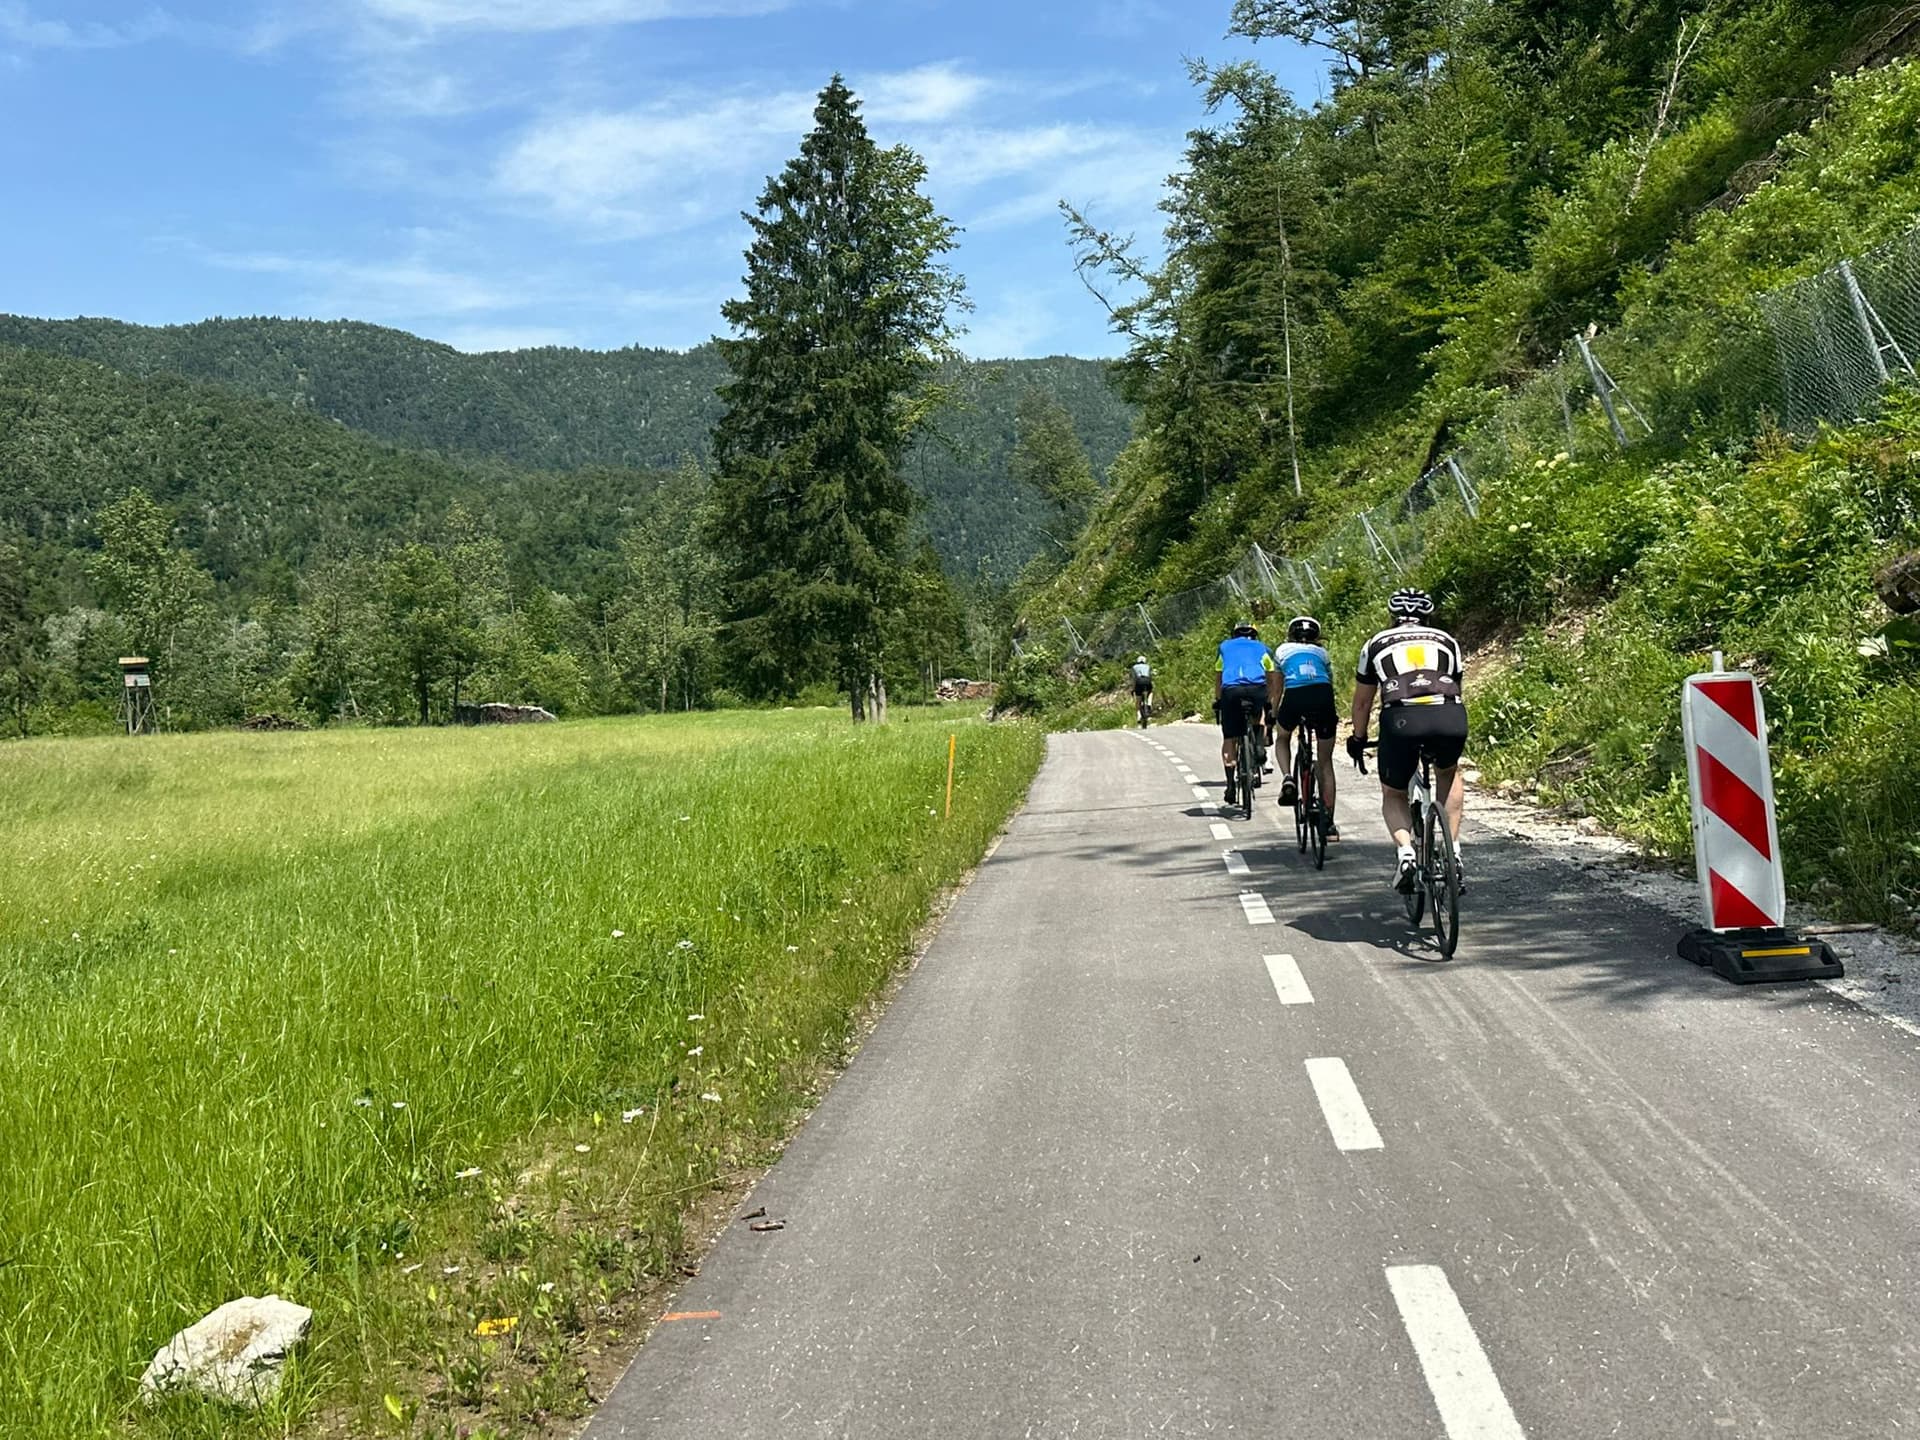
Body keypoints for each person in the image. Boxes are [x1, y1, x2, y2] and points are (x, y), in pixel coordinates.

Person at [1346, 588, 1468, 894]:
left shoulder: (1375, 643)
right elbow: (1456, 689)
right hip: (1448, 715)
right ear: (1428, 615)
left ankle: (1406, 855)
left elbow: (1362, 703)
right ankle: (1453, 852)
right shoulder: (1447, 641)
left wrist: (1359, 738)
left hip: (1401, 719)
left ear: (1393, 616)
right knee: (1448, 773)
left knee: (1393, 792)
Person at [1272, 615, 1340, 842]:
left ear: (1290, 634)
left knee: (1282, 737)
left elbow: (1277, 687)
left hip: (1295, 696)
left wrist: (1273, 712)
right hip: (1322, 696)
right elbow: (1329, 681)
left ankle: (1288, 778)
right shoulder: (1322, 653)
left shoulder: (1281, 651)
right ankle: (1329, 823)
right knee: (1325, 761)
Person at [1215, 620, 1280, 808]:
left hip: (1231, 690)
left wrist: (1218, 700)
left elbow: (1219, 675)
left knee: (1230, 737)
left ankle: (1230, 786)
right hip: (1256, 689)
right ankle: (1259, 746)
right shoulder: (1263, 648)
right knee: (1258, 711)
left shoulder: (1224, 647)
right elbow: (1270, 674)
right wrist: (1269, 700)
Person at [1130, 655, 1154, 724]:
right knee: (1150, 692)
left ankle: (1138, 715)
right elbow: (1150, 676)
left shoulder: (1134, 667)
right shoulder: (1148, 666)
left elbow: (1134, 679)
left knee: (1138, 699)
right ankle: (1149, 704)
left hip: (1139, 681)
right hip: (1147, 681)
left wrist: (1133, 688)